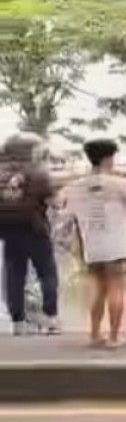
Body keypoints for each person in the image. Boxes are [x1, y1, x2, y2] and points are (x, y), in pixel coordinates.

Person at [64, 139, 126, 348]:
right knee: (116, 289)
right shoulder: (119, 184)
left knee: (99, 290)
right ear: (109, 158)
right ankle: (114, 337)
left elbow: (68, 212)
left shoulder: (76, 186)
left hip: (92, 246)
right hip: (116, 245)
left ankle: (95, 334)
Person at [0, 133, 59, 336]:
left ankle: (18, 321)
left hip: (8, 231)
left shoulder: (1, 174)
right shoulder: (38, 173)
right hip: (35, 230)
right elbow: (54, 202)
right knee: (47, 273)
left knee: (14, 276)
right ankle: (50, 318)